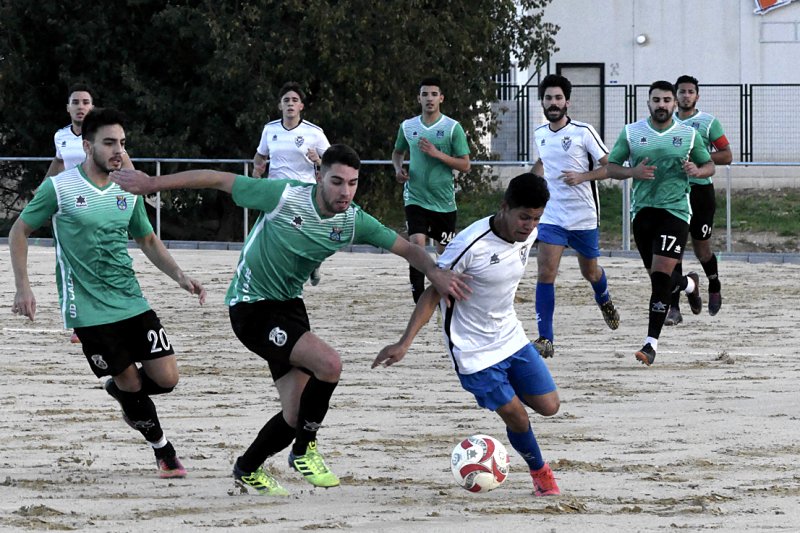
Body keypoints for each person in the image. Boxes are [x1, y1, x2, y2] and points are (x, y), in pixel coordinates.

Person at [110, 144, 471, 496]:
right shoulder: (284, 196)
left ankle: (248, 467)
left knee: (296, 413)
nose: (345, 191)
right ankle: (304, 451)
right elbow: (217, 178)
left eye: (352, 183)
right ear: (318, 176)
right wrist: (151, 184)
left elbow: (409, 249)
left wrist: (436, 272)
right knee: (329, 364)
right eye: (336, 181)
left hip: (288, 308)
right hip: (251, 306)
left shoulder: (351, 221)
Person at [10, 108, 206, 478]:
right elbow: (20, 230)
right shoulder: (61, 187)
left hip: (131, 299)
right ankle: (163, 450)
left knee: (166, 379)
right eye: (110, 143)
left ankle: (122, 394)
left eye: (122, 143)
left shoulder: (128, 187)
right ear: (87, 145)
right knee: (131, 381)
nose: (118, 150)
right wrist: (24, 286)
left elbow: (146, 237)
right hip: (87, 309)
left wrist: (180, 275)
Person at [373, 173, 561, 497]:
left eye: (536, 218)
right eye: (523, 217)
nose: (529, 225)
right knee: (517, 416)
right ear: (504, 208)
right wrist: (404, 343)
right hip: (473, 351)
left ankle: (510, 404)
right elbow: (433, 291)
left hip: (510, 336)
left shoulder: (529, 235)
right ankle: (540, 474)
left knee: (550, 406)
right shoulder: (470, 245)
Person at [607, 81, 715, 366]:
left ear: (674, 104)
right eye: (656, 100)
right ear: (648, 103)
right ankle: (690, 285)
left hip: (675, 211)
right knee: (661, 278)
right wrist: (633, 172)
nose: (662, 105)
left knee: (660, 280)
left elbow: (710, 165)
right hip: (642, 213)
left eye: (667, 100)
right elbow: (611, 167)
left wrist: (697, 169)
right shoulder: (632, 132)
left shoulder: (688, 135)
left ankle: (650, 344)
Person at [530, 74, 620, 359]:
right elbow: (544, 161)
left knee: (589, 272)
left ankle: (604, 299)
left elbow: (610, 167)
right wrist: (528, 185)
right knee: (545, 273)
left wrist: (583, 176)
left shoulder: (584, 132)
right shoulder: (540, 133)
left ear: (567, 102)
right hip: (552, 216)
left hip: (583, 217)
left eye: (558, 98)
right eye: (548, 98)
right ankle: (546, 338)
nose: (553, 103)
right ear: (542, 102)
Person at [43, 83, 136, 343]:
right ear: (68, 108)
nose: (80, 106)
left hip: (101, 200)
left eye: (85, 102)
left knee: (104, 257)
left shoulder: (103, 135)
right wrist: (43, 190)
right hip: (70, 204)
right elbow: (58, 163)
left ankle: (111, 312)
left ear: (92, 107)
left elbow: (123, 160)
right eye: (76, 102)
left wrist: (139, 183)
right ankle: (80, 322)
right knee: (70, 260)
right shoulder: (60, 136)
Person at [392, 76, 471, 303]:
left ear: (441, 98)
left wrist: (437, 154)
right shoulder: (408, 127)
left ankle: (445, 293)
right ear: (419, 98)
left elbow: (465, 165)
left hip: (443, 202)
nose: (429, 98)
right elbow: (397, 153)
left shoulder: (451, 128)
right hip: (415, 196)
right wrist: (399, 170)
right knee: (416, 244)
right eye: (425, 94)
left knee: (445, 251)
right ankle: (419, 298)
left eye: (434, 94)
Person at [665, 75, 733, 325]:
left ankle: (713, 284)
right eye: (681, 92)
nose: (685, 96)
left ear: (697, 95)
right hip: (672, 194)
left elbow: (727, 155)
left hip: (701, 192)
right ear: (675, 96)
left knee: (702, 249)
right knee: (673, 251)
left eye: (690, 92)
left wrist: (701, 161)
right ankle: (674, 307)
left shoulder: (707, 122)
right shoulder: (665, 123)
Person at [252, 81, 331, 286]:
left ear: (301, 106)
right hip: (276, 191)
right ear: (280, 106)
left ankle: (312, 262)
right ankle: (278, 276)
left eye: (294, 100)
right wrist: (257, 170)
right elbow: (260, 156)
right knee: (278, 233)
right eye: (286, 100)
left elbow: (333, 162)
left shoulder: (313, 132)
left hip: (304, 192)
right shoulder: (270, 130)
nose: (290, 104)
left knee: (301, 233)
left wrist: (318, 160)